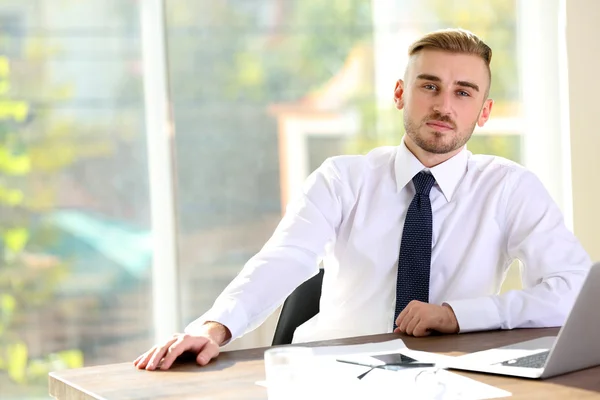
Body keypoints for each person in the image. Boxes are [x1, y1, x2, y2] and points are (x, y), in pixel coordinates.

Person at [134, 28, 591, 371]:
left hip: (453, 378)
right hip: (330, 376)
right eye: (429, 86)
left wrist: (458, 316)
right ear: (400, 93)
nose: (443, 106)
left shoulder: (509, 188)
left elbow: (571, 291)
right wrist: (214, 327)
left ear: (484, 111)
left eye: (463, 92)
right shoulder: (342, 178)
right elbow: (284, 259)